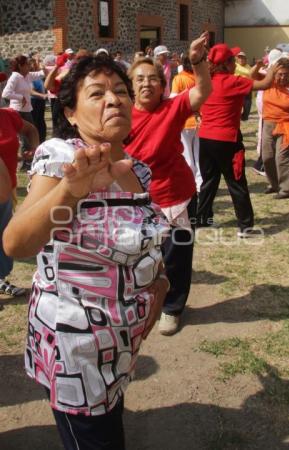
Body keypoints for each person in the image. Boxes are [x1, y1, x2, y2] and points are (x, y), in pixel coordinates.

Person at [3, 55, 169, 450]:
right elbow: (16, 242)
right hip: (77, 350)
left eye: (121, 92)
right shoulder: (62, 156)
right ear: (71, 113)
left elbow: (142, 239)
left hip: (121, 341)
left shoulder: (137, 170)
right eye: (97, 93)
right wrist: (71, 190)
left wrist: (159, 280)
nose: (115, 100)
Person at [125, 32, 211, 335]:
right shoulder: (120, 115)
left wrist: (198, 61)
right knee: (139, 255)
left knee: (176, 254)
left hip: (176, 196)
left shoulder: (172, 108)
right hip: (136, 199)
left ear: (162, 84)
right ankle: (144, 301)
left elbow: (202, 93)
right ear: (130, 86)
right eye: (139, 79)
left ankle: (173, 307)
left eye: (153, 79)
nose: (147, 83)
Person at [196, 43, 275, 236]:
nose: (236, 62)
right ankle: (245, 226)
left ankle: (202, 219)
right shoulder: (234, 82)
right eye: (233, 59)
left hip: (205, 137)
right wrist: (273, 67)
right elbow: (265, 84)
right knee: (236, 182)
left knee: (209, 181)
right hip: (227, 139)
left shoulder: (205, 81)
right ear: (226, 64)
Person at [0, 106, 39, 296]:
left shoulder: (8, 115)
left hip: (9, 188)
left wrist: (34, 150)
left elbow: (30, 130)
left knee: (3, 237)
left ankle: (0, 280)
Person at [261, 57, 289, 199]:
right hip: (268, 124)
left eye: (286, 74)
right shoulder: (268, 83)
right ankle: (274, 184)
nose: (283, 77)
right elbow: (252, 76)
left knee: (282, 158)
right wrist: (265, 68)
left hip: (288, 126)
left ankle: (286, 190)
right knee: (267, 157)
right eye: (279, 74)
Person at [2, 54, 45, 169]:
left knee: (30, 134)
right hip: (17, 110)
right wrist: (21, 97)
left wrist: (39, 62)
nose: (29, 66)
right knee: (25, 137)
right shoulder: (15, 77)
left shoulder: (27, 76)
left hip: (26, 110)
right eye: (27, 64)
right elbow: (5, 93)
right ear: (20, 66)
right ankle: (25, 163)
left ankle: (27, 161)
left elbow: (42, 73)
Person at [171, 54, 202, 194]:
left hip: (184, 122)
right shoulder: (200, 79)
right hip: (199, 120)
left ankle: (191, 184)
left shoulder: (179, 78)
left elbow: (173, 99)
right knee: (197, 154)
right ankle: (199, 183)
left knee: (188, 155)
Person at [234, 51, 252, 120]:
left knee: (247, 103)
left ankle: (245, 116)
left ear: (245, 59)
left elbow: (252, 76)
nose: (241, 59)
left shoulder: (249, 67)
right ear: (237, 59)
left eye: (242, 58)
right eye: (239, 58)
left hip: (247, 88)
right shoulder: (234, 65)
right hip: (237, 87)